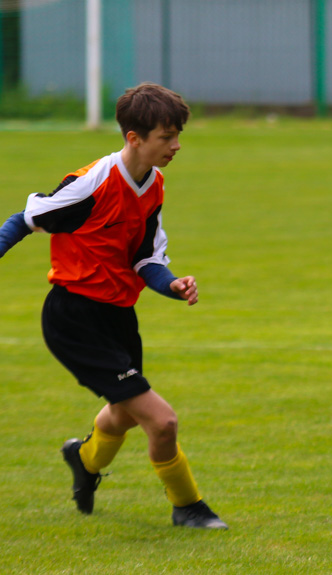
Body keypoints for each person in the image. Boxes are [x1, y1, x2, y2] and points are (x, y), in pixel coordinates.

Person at [0, 83, 227, 529]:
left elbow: (146, 258)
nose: (176, 146)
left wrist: (172, 284)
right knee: (161, 422)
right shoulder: (92, 183)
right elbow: (25, 220)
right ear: (134, 138)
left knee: (124, 411)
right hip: (74, 316)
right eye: (167, 137)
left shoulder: (154, 184)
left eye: (178, 135)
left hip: (118, 314)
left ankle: (84, 459)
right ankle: (189, 507)